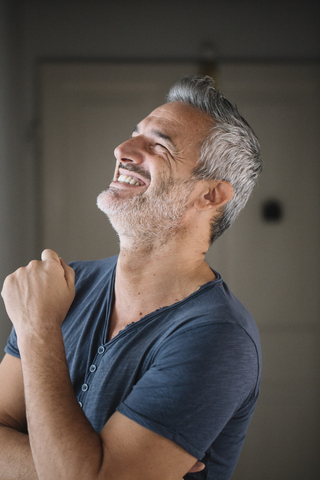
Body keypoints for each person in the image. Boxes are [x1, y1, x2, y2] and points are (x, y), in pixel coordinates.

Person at [0, 75, 262, 480]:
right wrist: (73, 466)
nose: (122, 150)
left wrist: (38, 330)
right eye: (133, 135)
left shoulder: (218, 337)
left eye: (159, 146)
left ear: (210, 195)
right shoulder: (65, 287)